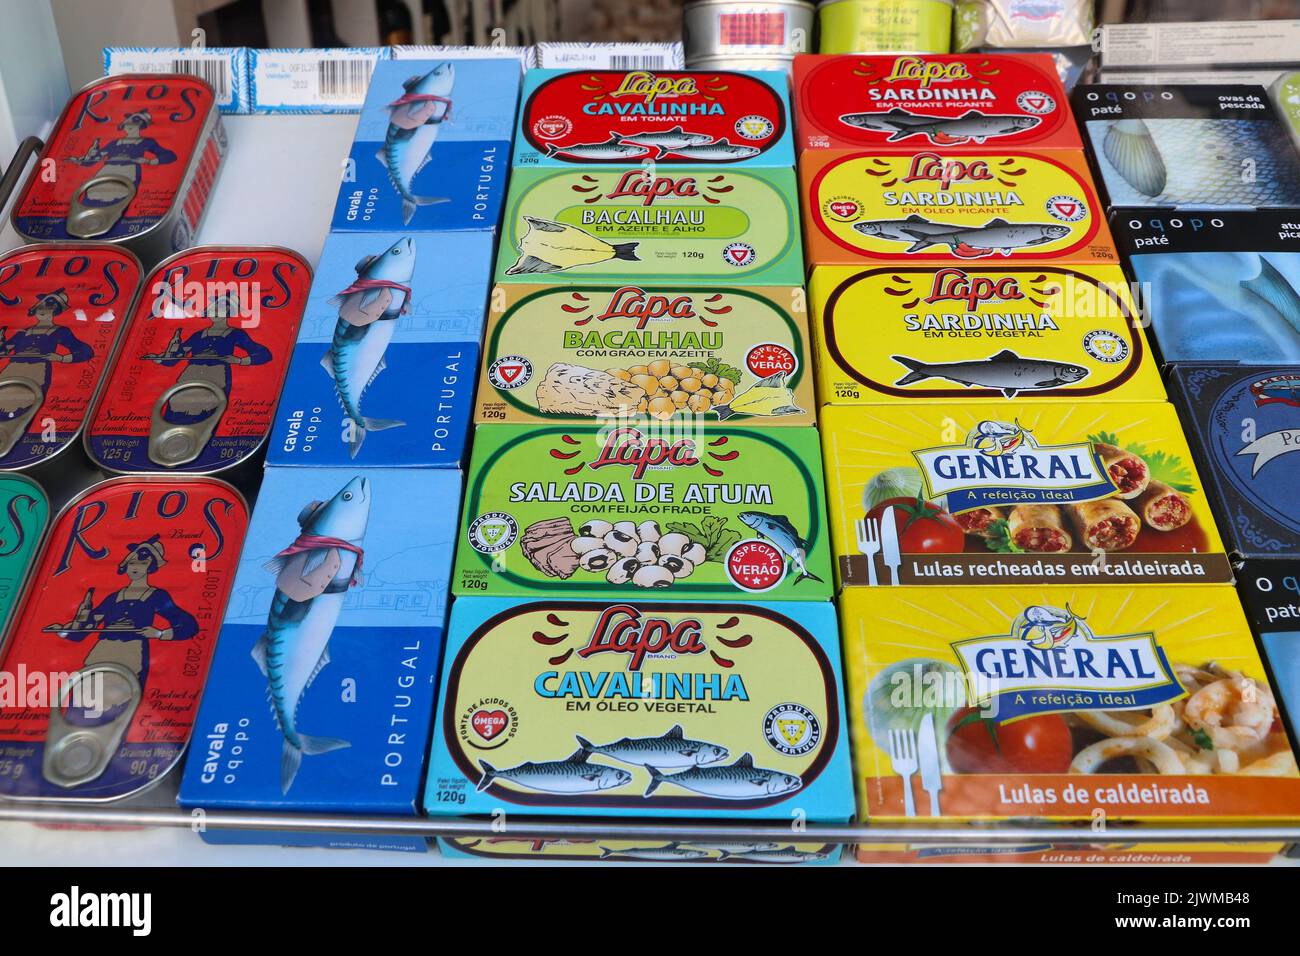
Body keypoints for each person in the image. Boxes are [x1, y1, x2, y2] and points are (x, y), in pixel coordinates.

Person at [50, 535, 198, 688]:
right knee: (85, 700)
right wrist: (64, 631)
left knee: (121, 703)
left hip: (132, 655)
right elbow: (87, 628)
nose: (135, 567)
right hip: (101, 653)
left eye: (142, 563)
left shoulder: (156, 596)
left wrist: (160, 634)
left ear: (150, 566)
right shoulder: (113, 597)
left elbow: (188, 625)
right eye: (132, 563)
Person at [70, 110, 177, 204]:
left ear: (140, 126)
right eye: (127, 124)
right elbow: (94, 160)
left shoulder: (146, 142)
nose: (129, 126)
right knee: (92, 197)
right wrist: (91, 154)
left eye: (133, 124)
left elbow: (170, 155)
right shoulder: (114, 142)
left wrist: (150, 162)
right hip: (106, 172)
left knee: (118, 201)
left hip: (128, 172)